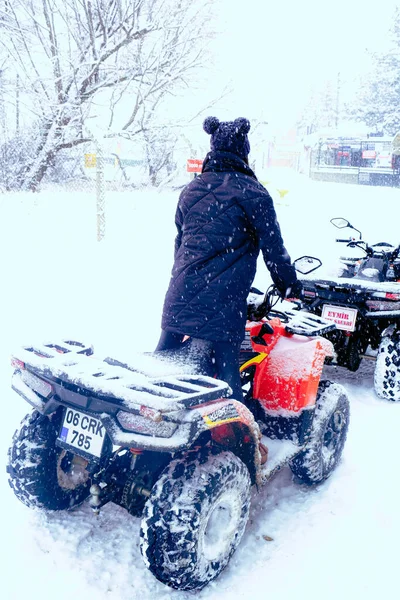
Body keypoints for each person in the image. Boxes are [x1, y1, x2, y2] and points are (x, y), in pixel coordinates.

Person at [156, 117, 302, 462]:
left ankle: (157, 433)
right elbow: (274, 249)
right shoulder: (253, 193)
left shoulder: (191, 189)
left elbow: (181, 243)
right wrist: (288, 284)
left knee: (162, 367)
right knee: (226, 376)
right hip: (223, 302)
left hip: (178, 294)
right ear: (243, 152)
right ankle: (239, 449)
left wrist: (188, 278)